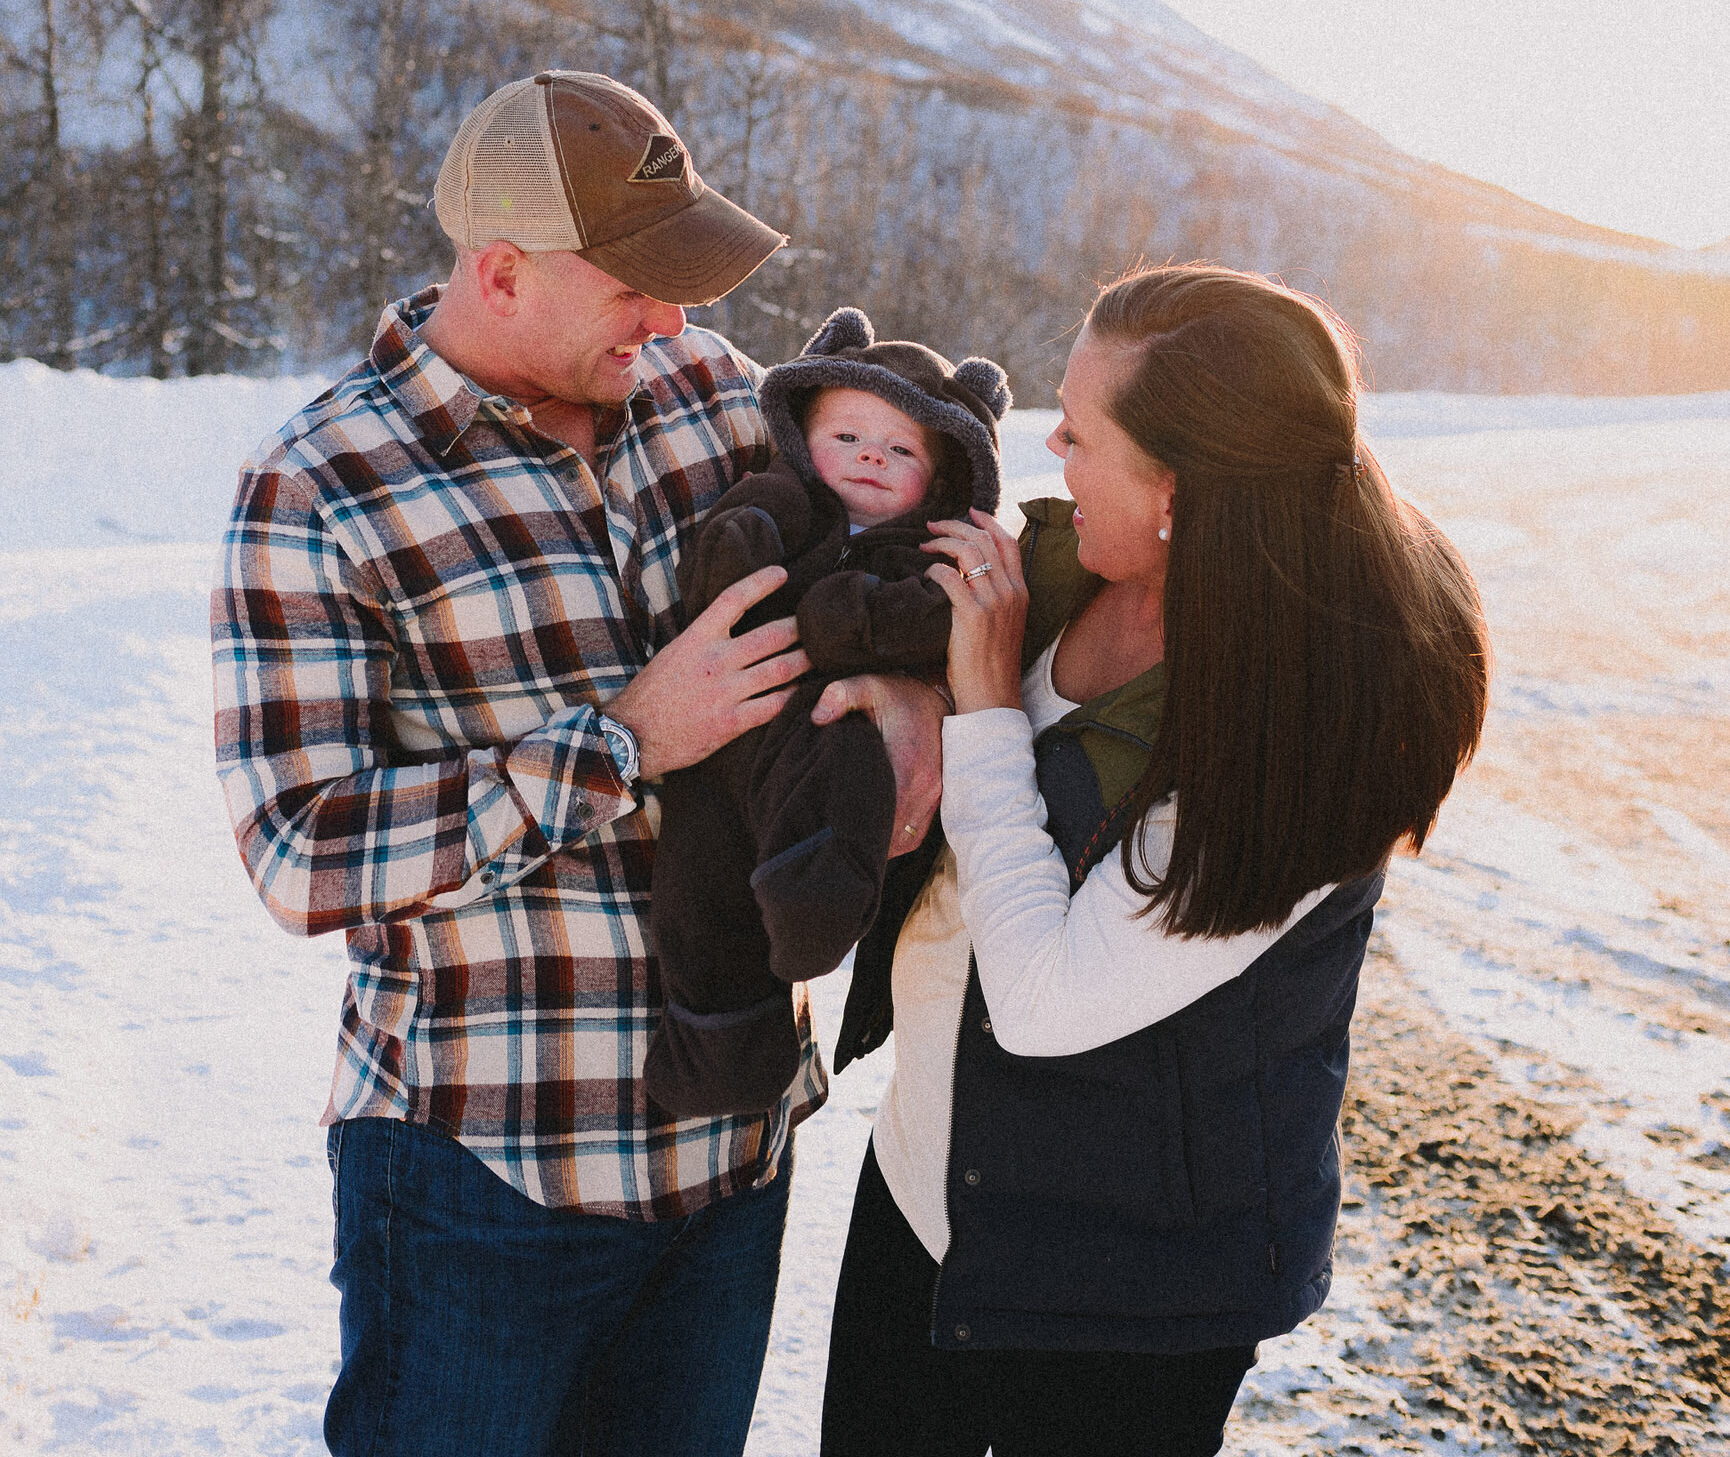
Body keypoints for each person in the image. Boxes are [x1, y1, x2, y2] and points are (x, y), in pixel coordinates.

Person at [212, 70, 945, 1457]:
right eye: (637, 288)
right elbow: (298, 849)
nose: (674, 320)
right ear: (499, 272)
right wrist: (619, 741)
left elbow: (863, 560)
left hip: (730, 1159)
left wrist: (902, 685)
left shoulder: (711, 396)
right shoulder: (319, 488)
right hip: (483, 1180)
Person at [817, 264, 1491, 1457]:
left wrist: (976, 703)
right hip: (925, 1187)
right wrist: (902, 687)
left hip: (1121, 1290)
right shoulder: (1071, 555)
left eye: (1081, 432)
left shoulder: (1319, 728)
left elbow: (1039, 1000)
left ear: (1182, 488)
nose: (1049, 447)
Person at [644, 306, 1010, 1119]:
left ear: (943, 477)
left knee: (845, 769)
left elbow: (937, 621)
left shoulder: (931, 552)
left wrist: (862, 620)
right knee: (697, 890)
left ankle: (817, 894)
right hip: (718, 748)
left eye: (902, 449)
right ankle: (719, 1057)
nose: (871, 455)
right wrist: (740, 542)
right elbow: (719, 575)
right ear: (803, 438)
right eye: (846, 437)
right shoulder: (776, 500)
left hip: (826, 734)